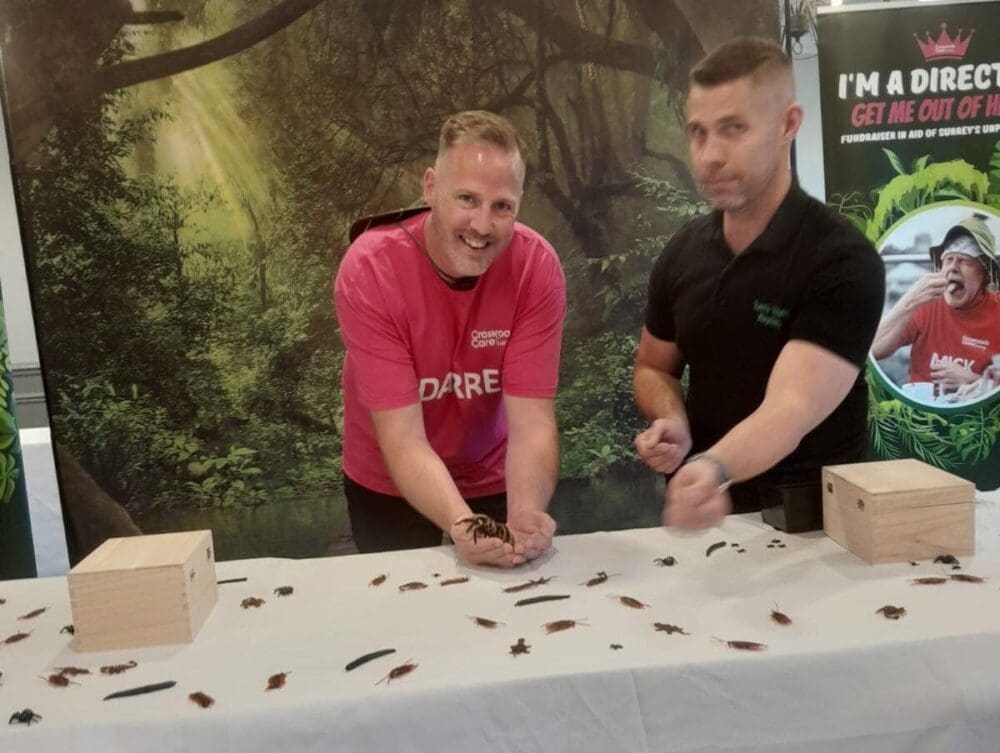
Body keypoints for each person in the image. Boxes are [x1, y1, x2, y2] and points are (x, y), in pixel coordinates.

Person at [632, 37, 884, 529]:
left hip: (820, 528)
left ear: (788, 124)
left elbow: (790, 408)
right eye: (698, 133)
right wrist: (673, 420)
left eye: (733, 129)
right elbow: (652, 366)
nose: (709, 156)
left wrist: (710, 466)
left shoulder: (843, 261)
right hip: (710, 522)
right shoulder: (682, 253)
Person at [333, 110, 566, 566]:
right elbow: (403, 440)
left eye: (502, 206)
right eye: (466, 199)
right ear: (429, 187)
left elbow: (533, 421)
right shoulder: (369, 269)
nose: (482, 225)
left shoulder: (537, 267)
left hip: (495, 471)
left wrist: (525, 513)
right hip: (387, 475)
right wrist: (463, 525)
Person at [871, 213, 1000, 397]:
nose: (953, 267)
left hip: (978, 420)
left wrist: (972, 380)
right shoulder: (926, 302)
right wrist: (910, 299)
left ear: (985, 274)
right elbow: (871, 350)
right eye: (948, 259)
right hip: (920, 418)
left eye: (965, 260)